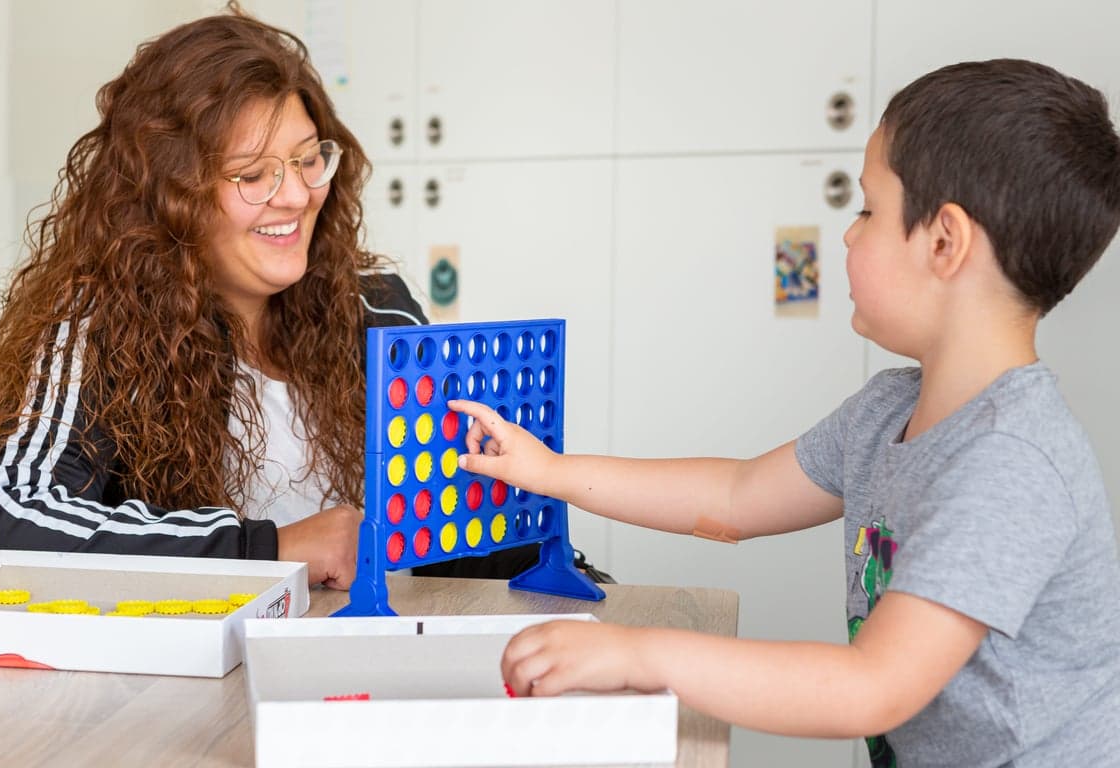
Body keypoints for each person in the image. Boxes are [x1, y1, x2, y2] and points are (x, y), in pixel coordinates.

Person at [448, 59, 1120, 767]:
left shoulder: (1010, 462)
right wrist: (548, 471)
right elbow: (734, 497)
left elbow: (871, 689)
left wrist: (639, 653)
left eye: (868, 209)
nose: (849, 235)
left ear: (944, 242)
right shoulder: (889, 409)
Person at [0, 5, 428, 590]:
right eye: (252, 173)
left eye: (308, 159)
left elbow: (465, 521)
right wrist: (271, 549)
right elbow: (3, 521)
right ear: (170, 196)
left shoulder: (379, 308)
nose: (294, 196)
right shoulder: (102, 331)